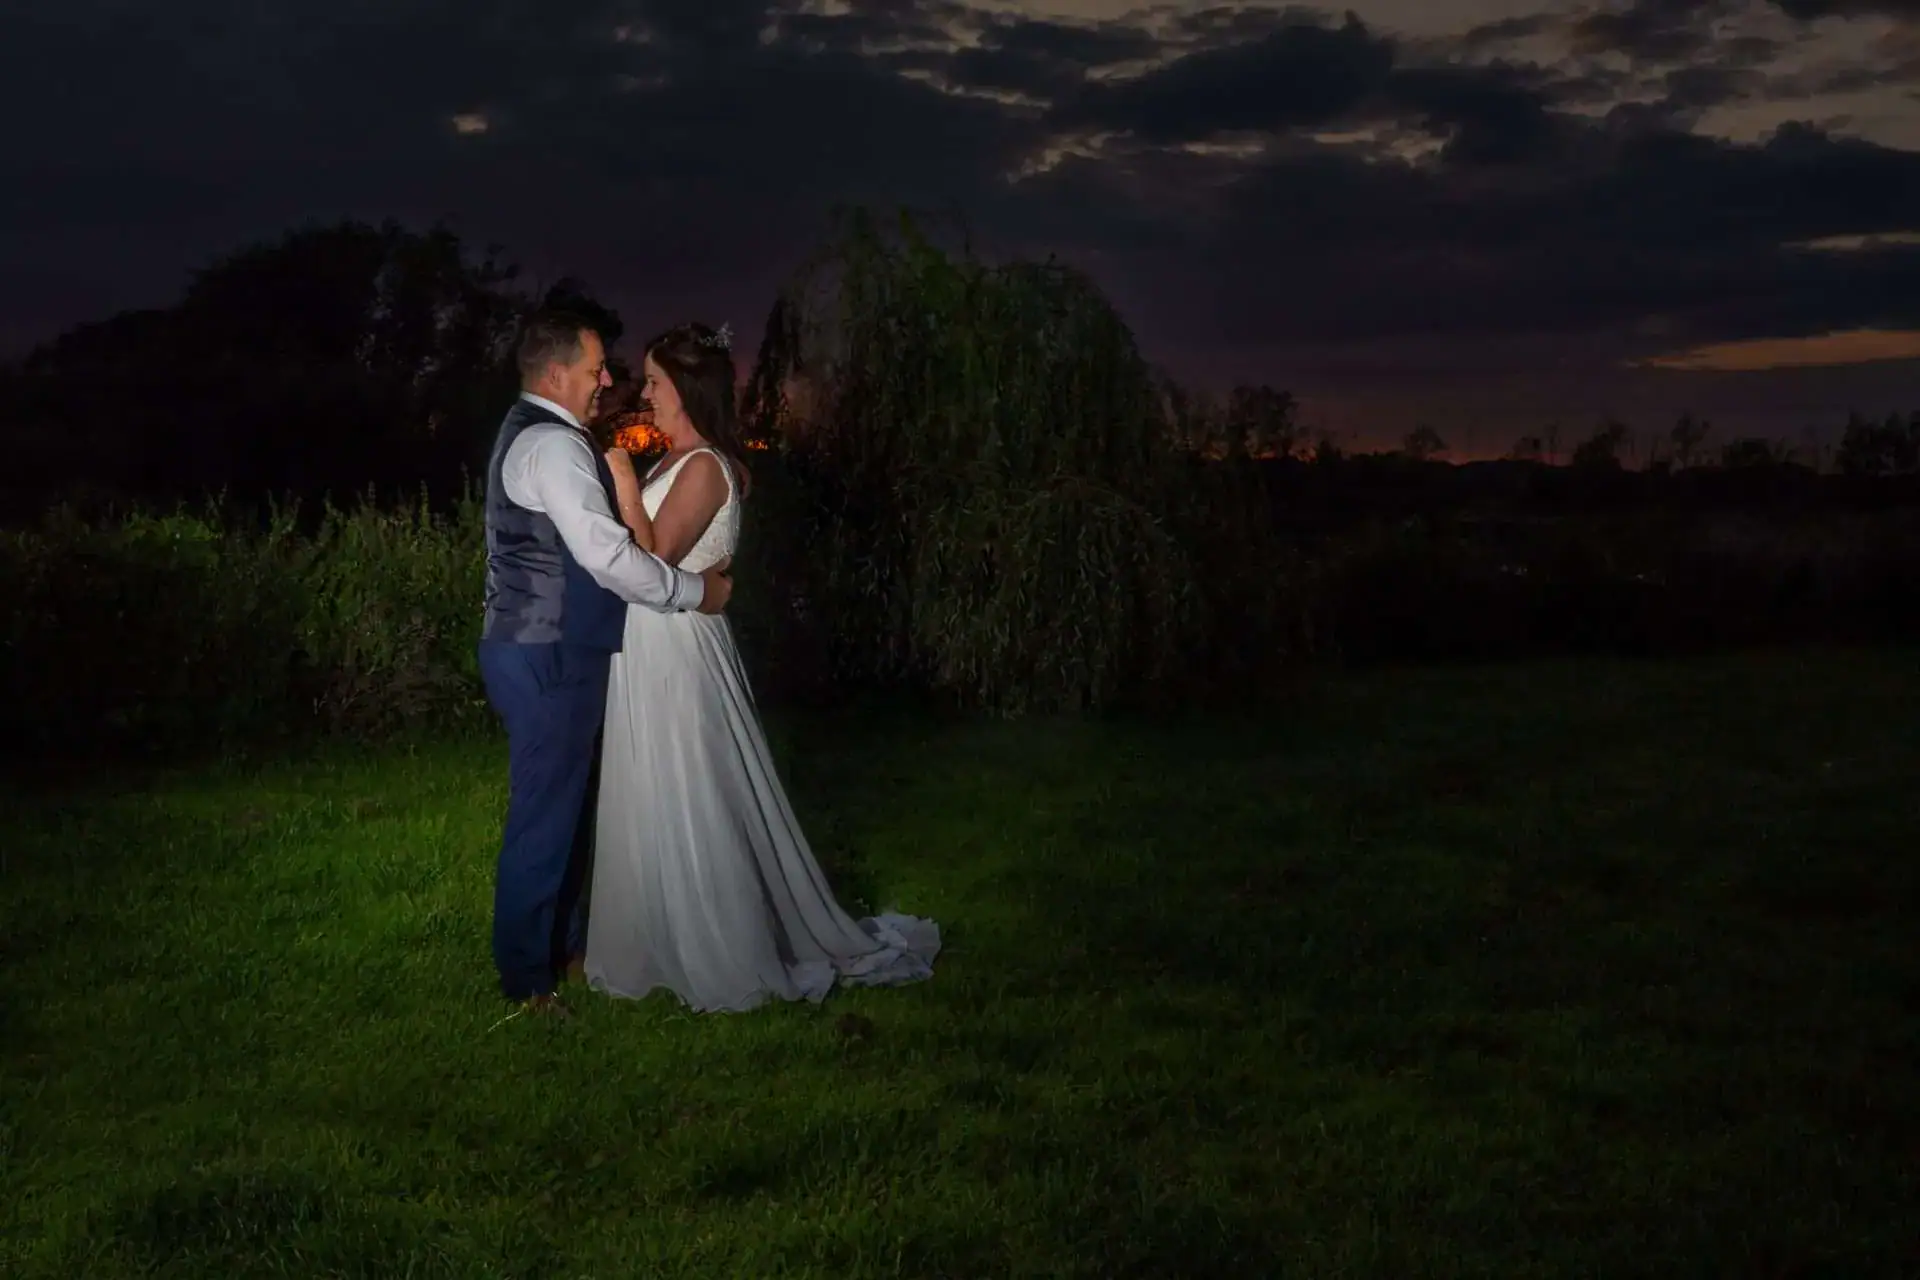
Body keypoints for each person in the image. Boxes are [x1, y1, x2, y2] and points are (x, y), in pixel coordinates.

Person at [586, 321, 939, 1012]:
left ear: (686, 390)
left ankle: (719, 943)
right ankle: (657, 935)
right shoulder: (669, 461)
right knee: (653, 781)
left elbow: (654, 552)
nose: (644, 393)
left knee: (694, 783)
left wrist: (619, 474)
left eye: (655, 381)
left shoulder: (706, 467)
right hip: (648, 641)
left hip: (679, 647)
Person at [478, 310, 733, 1018]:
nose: (609, 382)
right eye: (597, 370)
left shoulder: (538, 436)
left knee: (569, 807)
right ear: (556, 375)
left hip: (547, 646)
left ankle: (567, 947)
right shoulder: (554, 448)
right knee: (546, 815)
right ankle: (528, 981)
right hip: (547, 651)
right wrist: (695, 592)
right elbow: (608, 556)